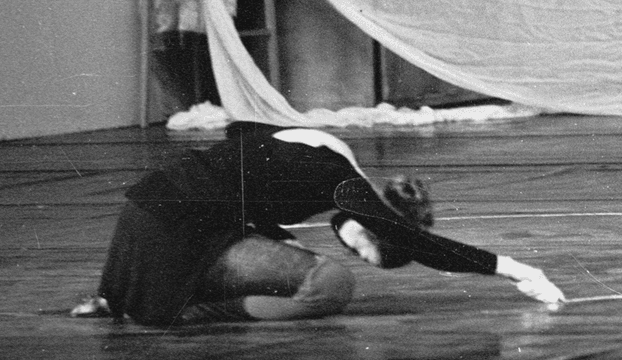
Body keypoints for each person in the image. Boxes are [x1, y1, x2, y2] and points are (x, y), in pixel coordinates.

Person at [69, 122, 564, 326]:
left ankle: (131, 292)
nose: (356, 250)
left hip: (142, 217)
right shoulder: (340, 178)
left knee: (291, 256)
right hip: (179, 231)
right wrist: (513, 269)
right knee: (331, 284)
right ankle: (190, 308)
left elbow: (239, 142)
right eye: (367, 247)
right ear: (375, 221)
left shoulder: (311, 146)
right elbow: (419, 245)